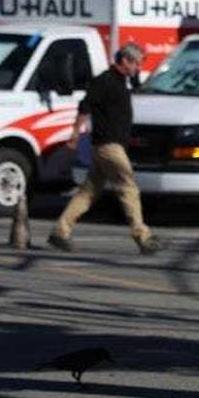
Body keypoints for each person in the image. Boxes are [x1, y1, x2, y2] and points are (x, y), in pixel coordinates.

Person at [48, 44, 162, 255]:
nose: (138, 68)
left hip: (109, 146)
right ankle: (142, 236)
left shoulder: (121, 83)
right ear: (125, 61)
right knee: (128, 188)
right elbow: (85, 106)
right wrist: (75, 133)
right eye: (136, 63)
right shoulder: (105, 81)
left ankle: (60, 232)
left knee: (88, 192)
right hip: (108, 146)